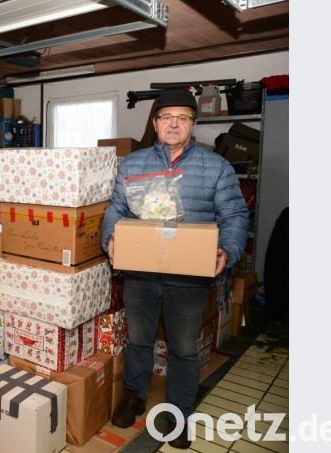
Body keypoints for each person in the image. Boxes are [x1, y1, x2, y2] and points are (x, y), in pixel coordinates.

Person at [100, 89, 249, 449]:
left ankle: (179, 412)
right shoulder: (134, 164)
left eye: (183, 118)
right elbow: (115, 210)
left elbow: (235, 215)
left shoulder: (215, 166)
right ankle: (134, 395)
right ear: (154, 123)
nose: (174, 124)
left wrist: (227, 251)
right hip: (141, 274)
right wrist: (111, 240)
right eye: (167, 117)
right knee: (138, 339)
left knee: (183, 347)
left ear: (193, 125)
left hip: (189, 276)